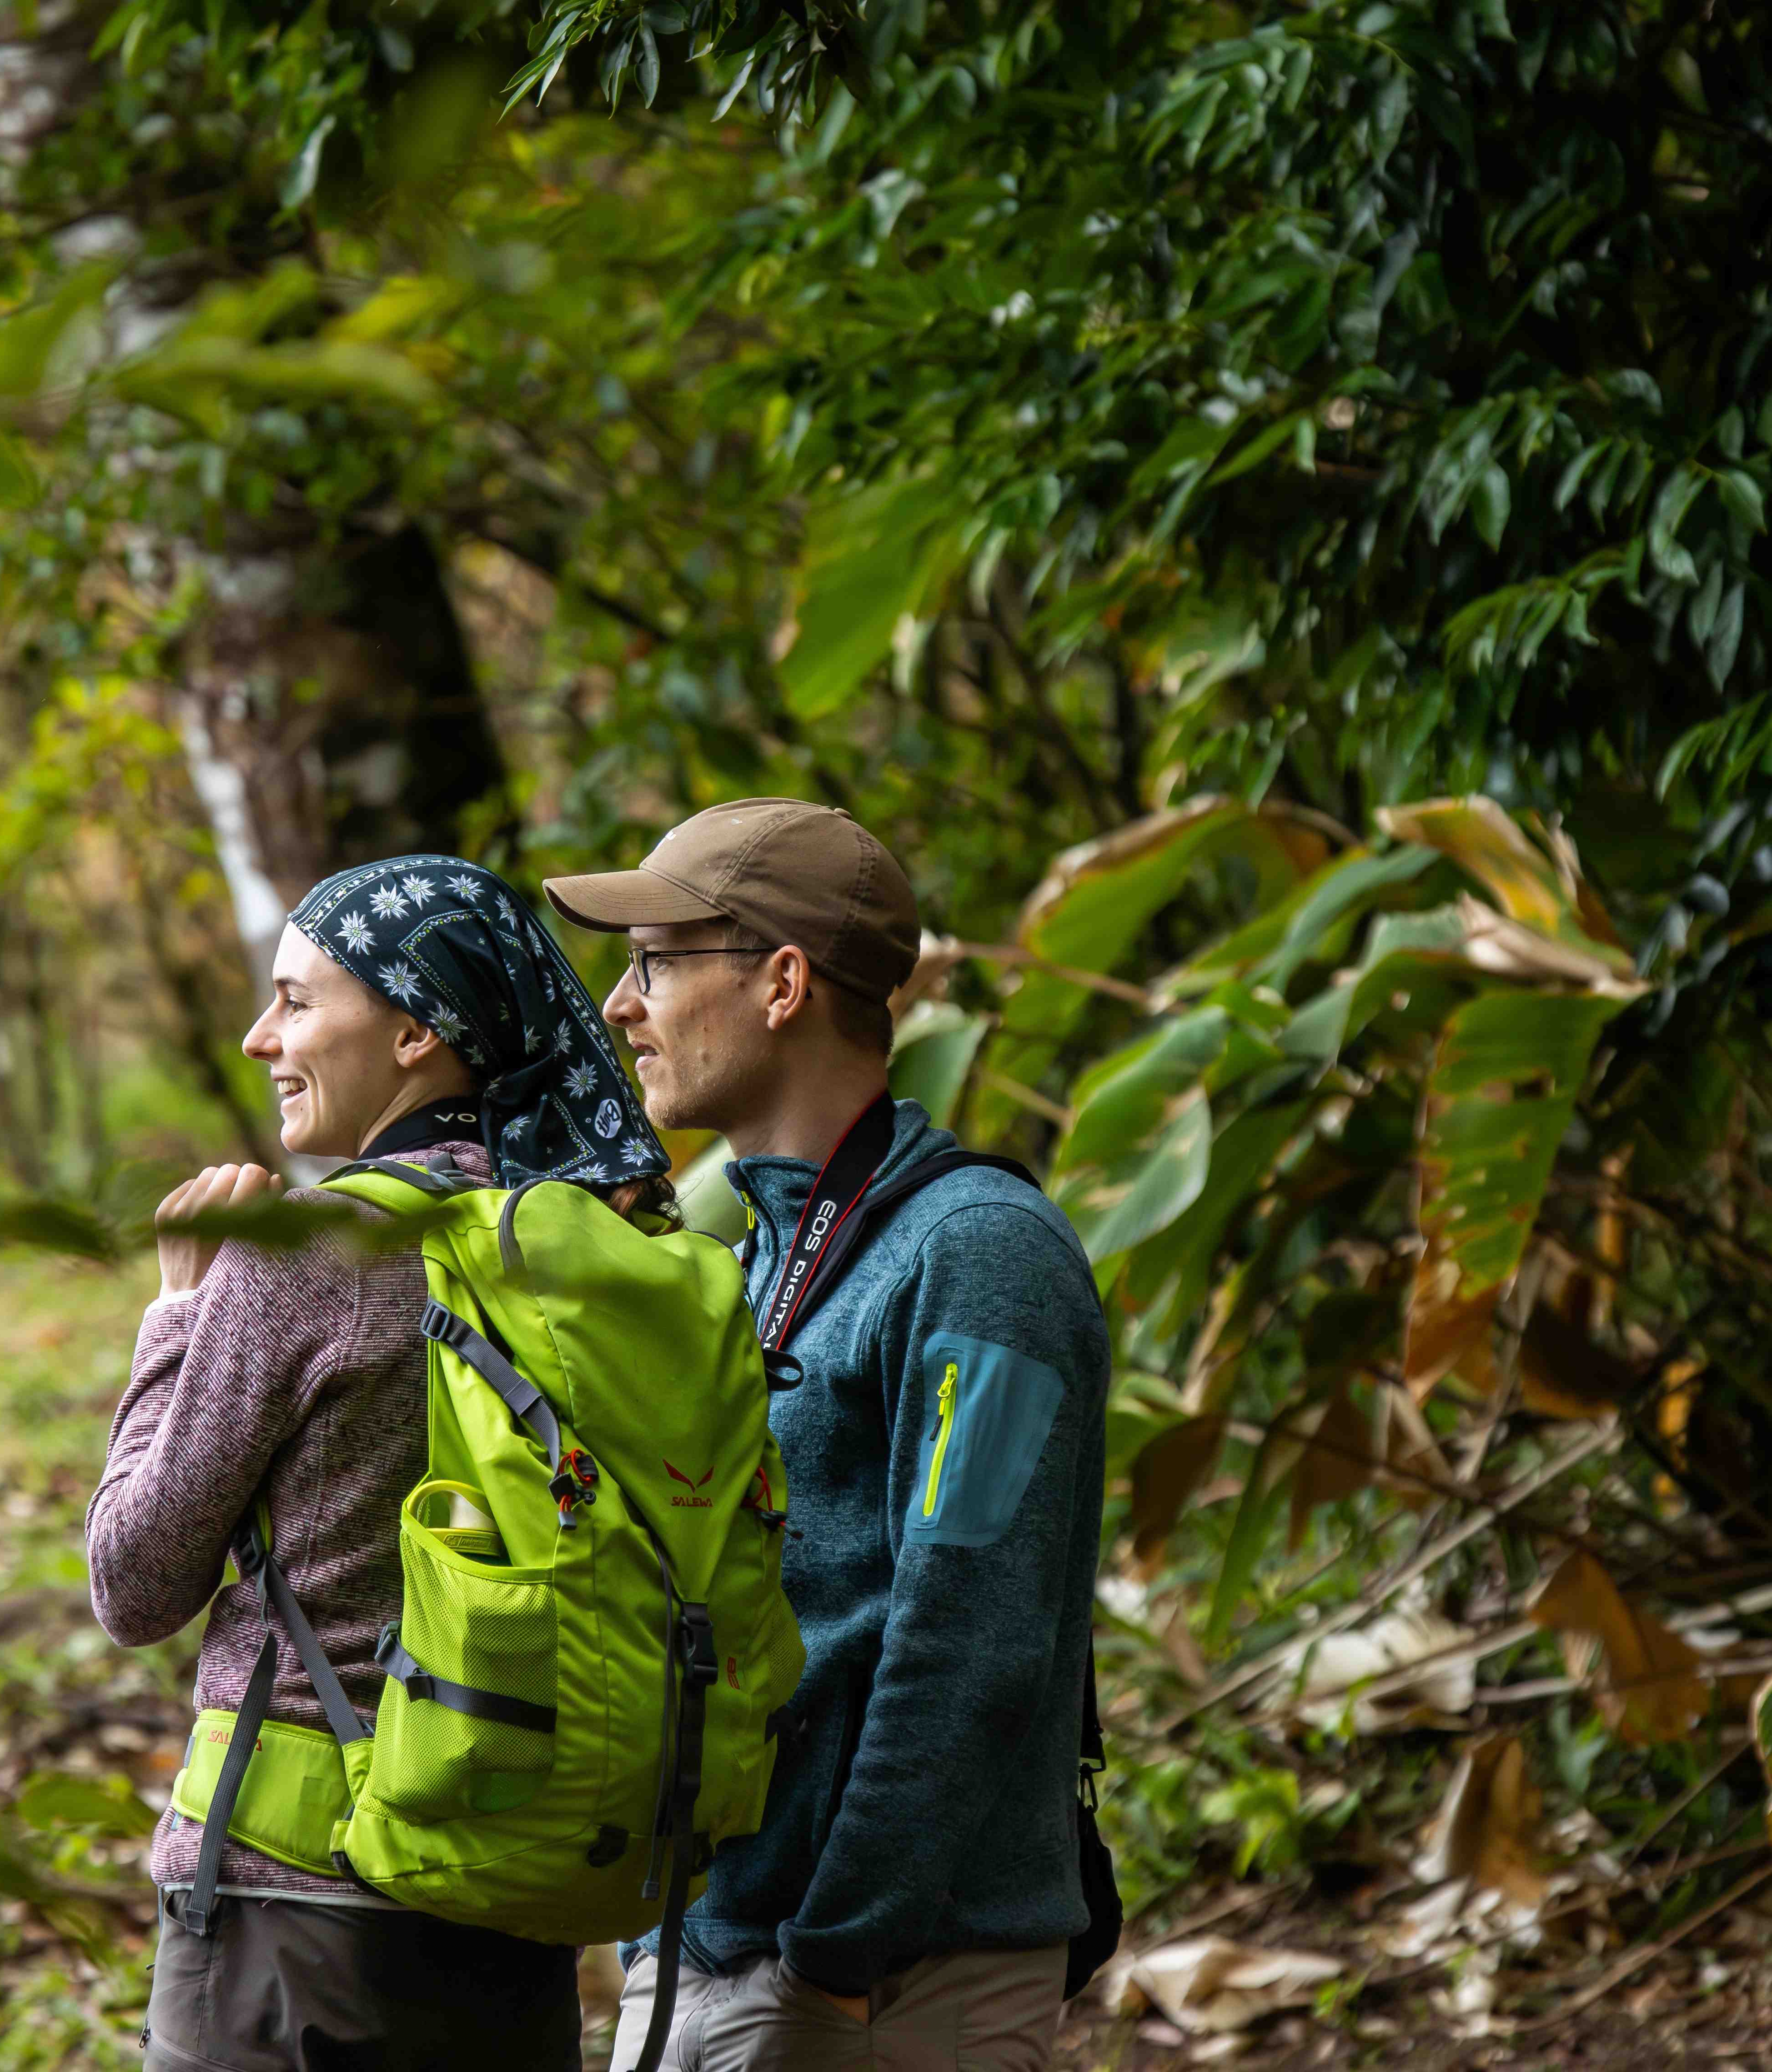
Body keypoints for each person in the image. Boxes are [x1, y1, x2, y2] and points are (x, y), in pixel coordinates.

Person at [543, 799, 1111, 2072]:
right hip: (712, 1952)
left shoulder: (984, 1261)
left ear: (783, 981)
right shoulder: (750, 1259)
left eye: (653, 962)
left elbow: (975, 1633)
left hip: (891, 1982)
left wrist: (836, 1954)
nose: (620, 1007)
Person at [88, 851, 676, 2072]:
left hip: (288, 1902)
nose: (261, 1037)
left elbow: (133, 1583)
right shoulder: (594, 1255)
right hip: (515, 1889)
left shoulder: (300, 1258)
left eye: (298, 1000)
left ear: (414, 1032)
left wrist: (175, 1314)